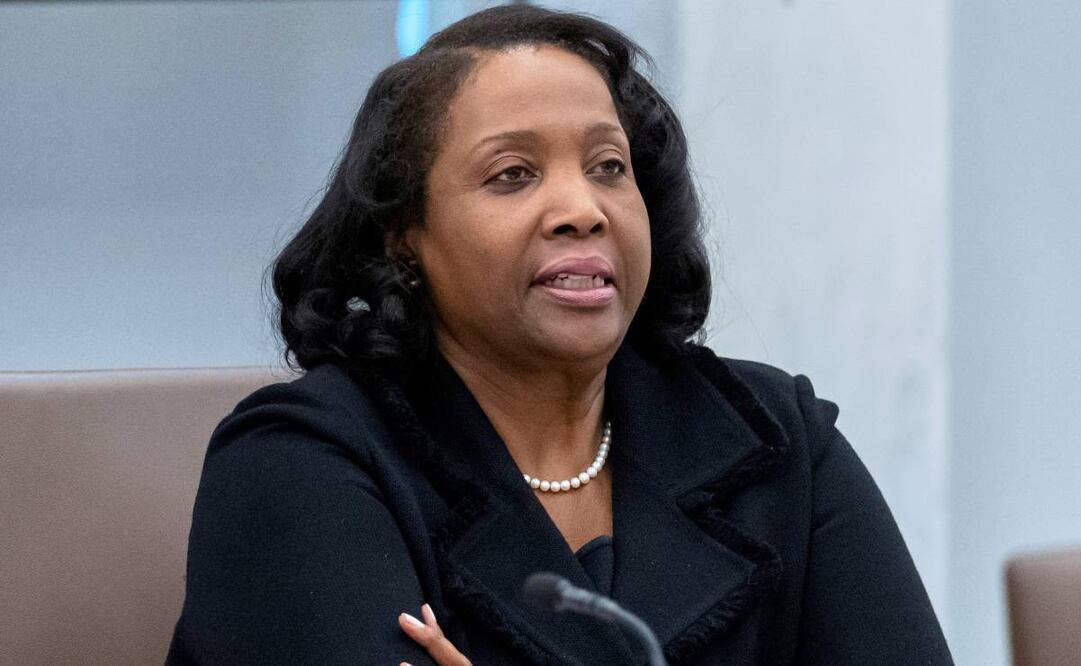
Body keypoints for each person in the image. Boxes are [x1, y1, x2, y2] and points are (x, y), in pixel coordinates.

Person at [167, 5, 952, 665]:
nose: (583, 207)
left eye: (609, 166)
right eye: (512, 174)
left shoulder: (778, 439)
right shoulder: (297, 463)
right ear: (403, 233)